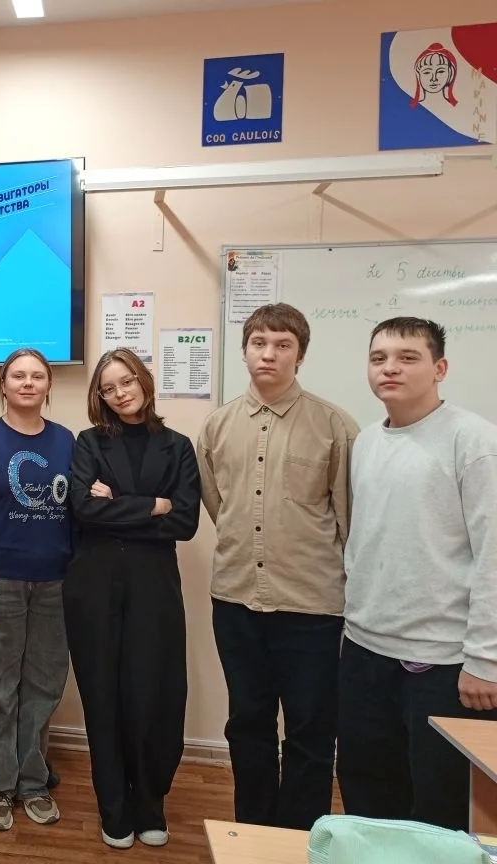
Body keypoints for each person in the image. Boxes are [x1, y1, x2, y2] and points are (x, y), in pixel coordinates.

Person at [196, 303, 358, 830]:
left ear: (300, 355)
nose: (269, 353)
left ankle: (300, 839)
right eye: (259, 342)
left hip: (311, 607)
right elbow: (220, 506)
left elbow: (350, 520)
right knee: (248, 724)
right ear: (245, 350)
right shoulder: (216, 426)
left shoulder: (335, 426)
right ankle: (254, 833)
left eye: (283, 344)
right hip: (236, 601)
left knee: (311, 730)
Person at [338, 317, 497, 831]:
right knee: (369, 799)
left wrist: (486, 659)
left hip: (444, 664)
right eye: (379, 358)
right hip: (365, 651)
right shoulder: (366, 441)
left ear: (439, 368)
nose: (390, 368)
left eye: (407, 357)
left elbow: (493, 556)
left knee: (441, 811)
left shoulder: (474, 441)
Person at [66, 349, 201, 850]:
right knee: (103, 695)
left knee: (153, 694)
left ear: (144, 380)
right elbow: (84, 510)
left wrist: (118, 504)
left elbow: (184, 521)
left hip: (153, 588)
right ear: (99, 397)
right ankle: (114, 809)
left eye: (126, 381)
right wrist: (153, 505)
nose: (120, 393)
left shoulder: (178, 446)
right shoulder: (89, 442)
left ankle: (150, 803)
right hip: (94, 587)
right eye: (108, 387)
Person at [0, 347, 75, 832]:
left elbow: (77, 511)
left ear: (48, 386)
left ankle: (32, 782)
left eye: (37, 376)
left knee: (44, 687)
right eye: (18, 376)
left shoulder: (66, 441)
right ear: (3, 386)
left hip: (56, 583)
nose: (28, 383)